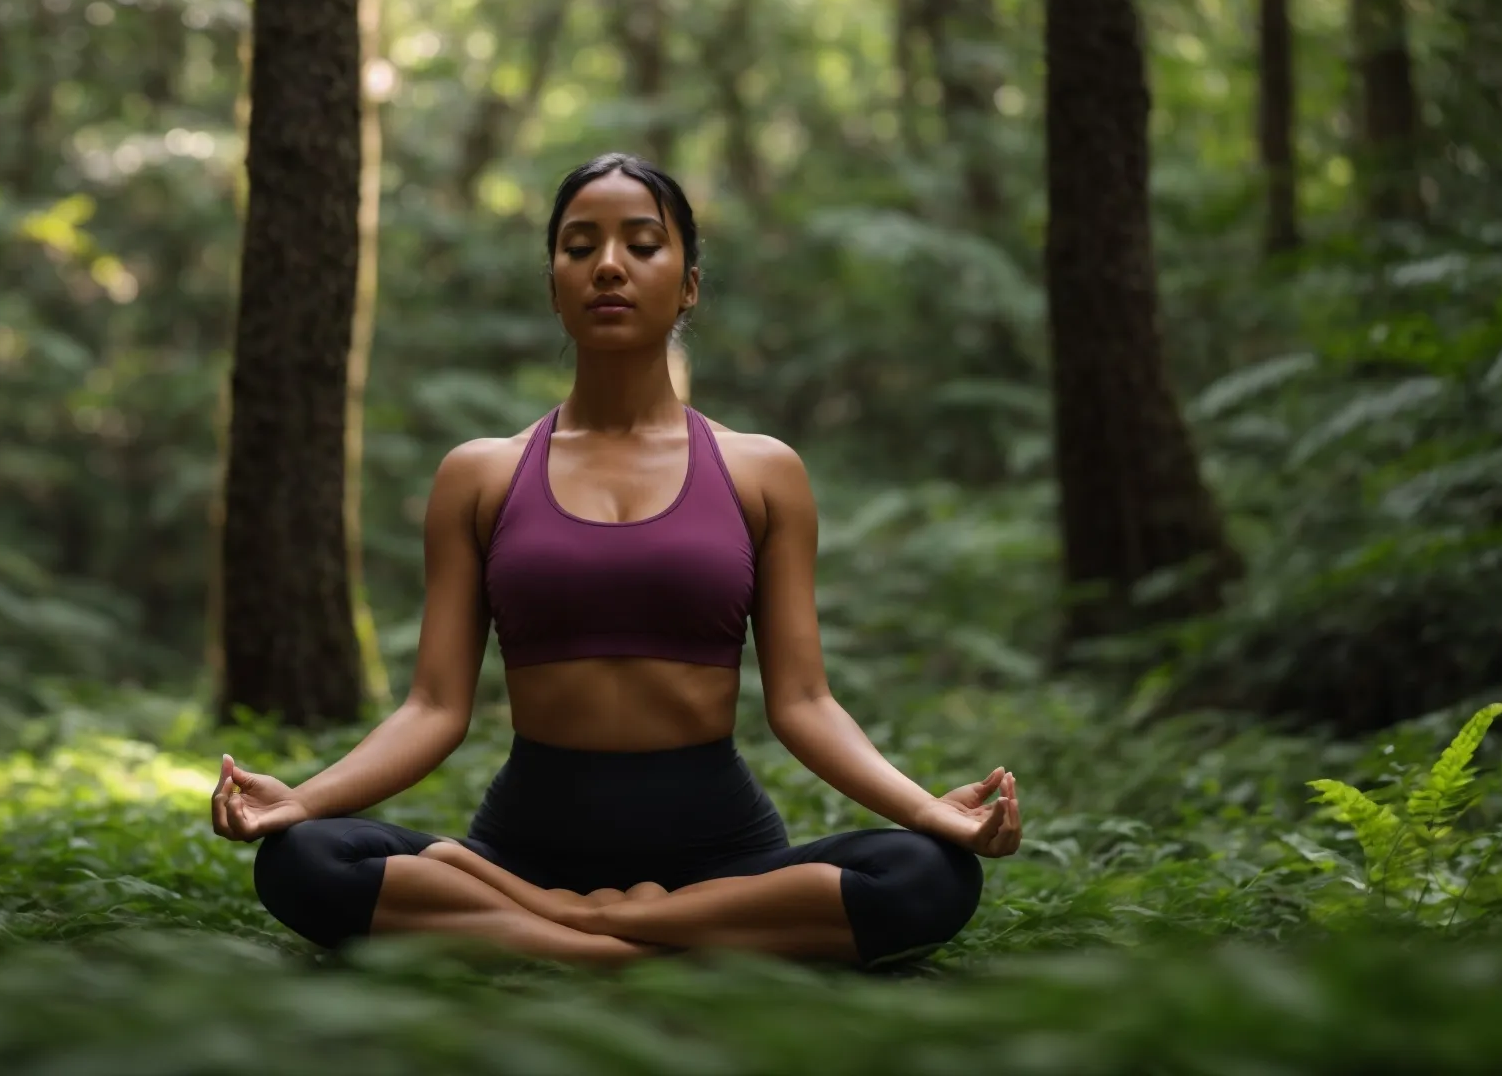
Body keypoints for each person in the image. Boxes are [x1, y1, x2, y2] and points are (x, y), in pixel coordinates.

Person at [210, 152, 1023, 968]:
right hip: (523, 847)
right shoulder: (480, 474)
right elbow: (433, 708)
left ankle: (562, 932)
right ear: (554, 281)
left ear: (690, 283)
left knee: (927, 875)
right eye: (578, 246)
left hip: (721, 855)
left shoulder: (762, 471)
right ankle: (657, 945)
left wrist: (930, 814)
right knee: (302, 859)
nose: (608, 266)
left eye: (642, 245)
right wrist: (300, 802)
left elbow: (805, 702)